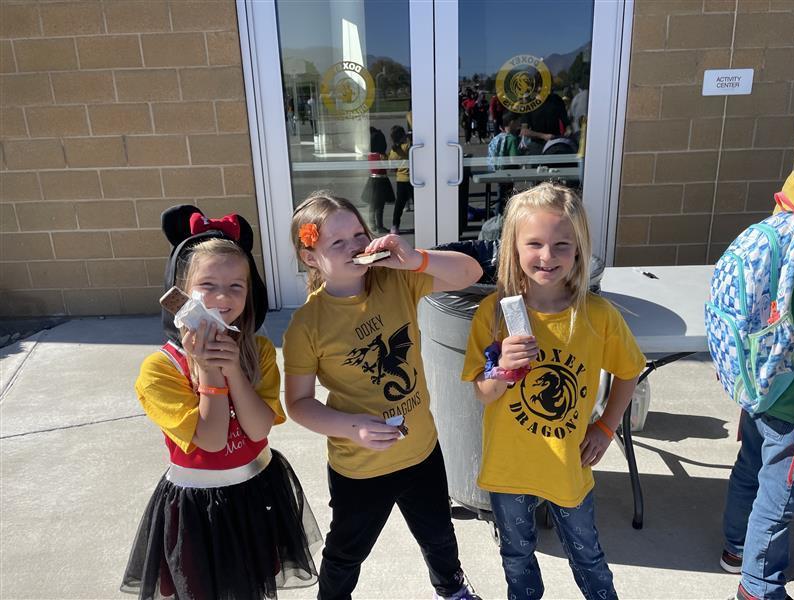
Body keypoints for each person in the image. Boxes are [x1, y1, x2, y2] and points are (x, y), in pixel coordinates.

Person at [283, 192, 484, 600]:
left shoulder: (395, 280)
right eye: (336, 242)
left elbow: (471, 272)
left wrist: (416, 260)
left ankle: (451, 589)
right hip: (360, 467)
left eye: (358, 234)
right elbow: (298, 403)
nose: (354, 246)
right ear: (309, 257)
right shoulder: (307, 325)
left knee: (439, 536)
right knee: (346, 553)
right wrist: (350, 427)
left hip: (422, 449)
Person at [121, 205, 322, 600]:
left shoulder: (259, 351)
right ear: (182, 291)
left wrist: (233, 369)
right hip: (197, 508)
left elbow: (259, 429)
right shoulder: (159, 369)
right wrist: (209, 372)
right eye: (207, 285)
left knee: (253, 588)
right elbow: (211, 441)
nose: (222, 297)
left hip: (255, 492)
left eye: (236, 286)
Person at [461, 183, 645, 600]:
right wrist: (504, 368)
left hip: (568, 465)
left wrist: (605, 427)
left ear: (579, 250)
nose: (547, 256)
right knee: (516, 554)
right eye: (535, 244)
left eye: (562, 244)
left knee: (588, 555)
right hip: (508, 468)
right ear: (513, 247)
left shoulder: (597, 316)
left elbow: (630, 371)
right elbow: (482, 393)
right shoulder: (494, 314)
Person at [720, 139, 794, 600]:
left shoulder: (784, 210)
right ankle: (759, 586)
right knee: (781, 490)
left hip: (759, 377)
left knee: (751, 463)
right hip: (792, 395)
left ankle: (735, 547)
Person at [361, 126, 395, 234]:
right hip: (381, 181)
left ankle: (372, 224)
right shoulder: (381, 156)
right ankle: (379, 225)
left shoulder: (371, 155)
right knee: (380, 206)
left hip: (372, 180)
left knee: (372, 205)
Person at [388, 125, 413, 234]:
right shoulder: (407, 147)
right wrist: (409, 137)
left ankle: (395, 226)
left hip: (400, 180)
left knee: (399, 205)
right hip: (411, 179)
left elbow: (392, 168)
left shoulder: (393, 152)